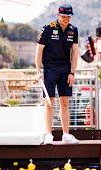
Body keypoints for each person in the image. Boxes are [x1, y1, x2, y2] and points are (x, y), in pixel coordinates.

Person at [35, 3, 79, 144]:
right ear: (58, 15)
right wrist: (38, 70)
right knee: (49, 102)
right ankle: (49, 134)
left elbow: (75, 52)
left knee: (65, 102)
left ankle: (66, 134)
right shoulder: (47, 29)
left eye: (68, 16)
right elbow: (39, 50)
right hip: (49, 69)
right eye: (64, 16)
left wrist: (72, 72)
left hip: (65, 69)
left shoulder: (73, 30)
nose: (66, 18)